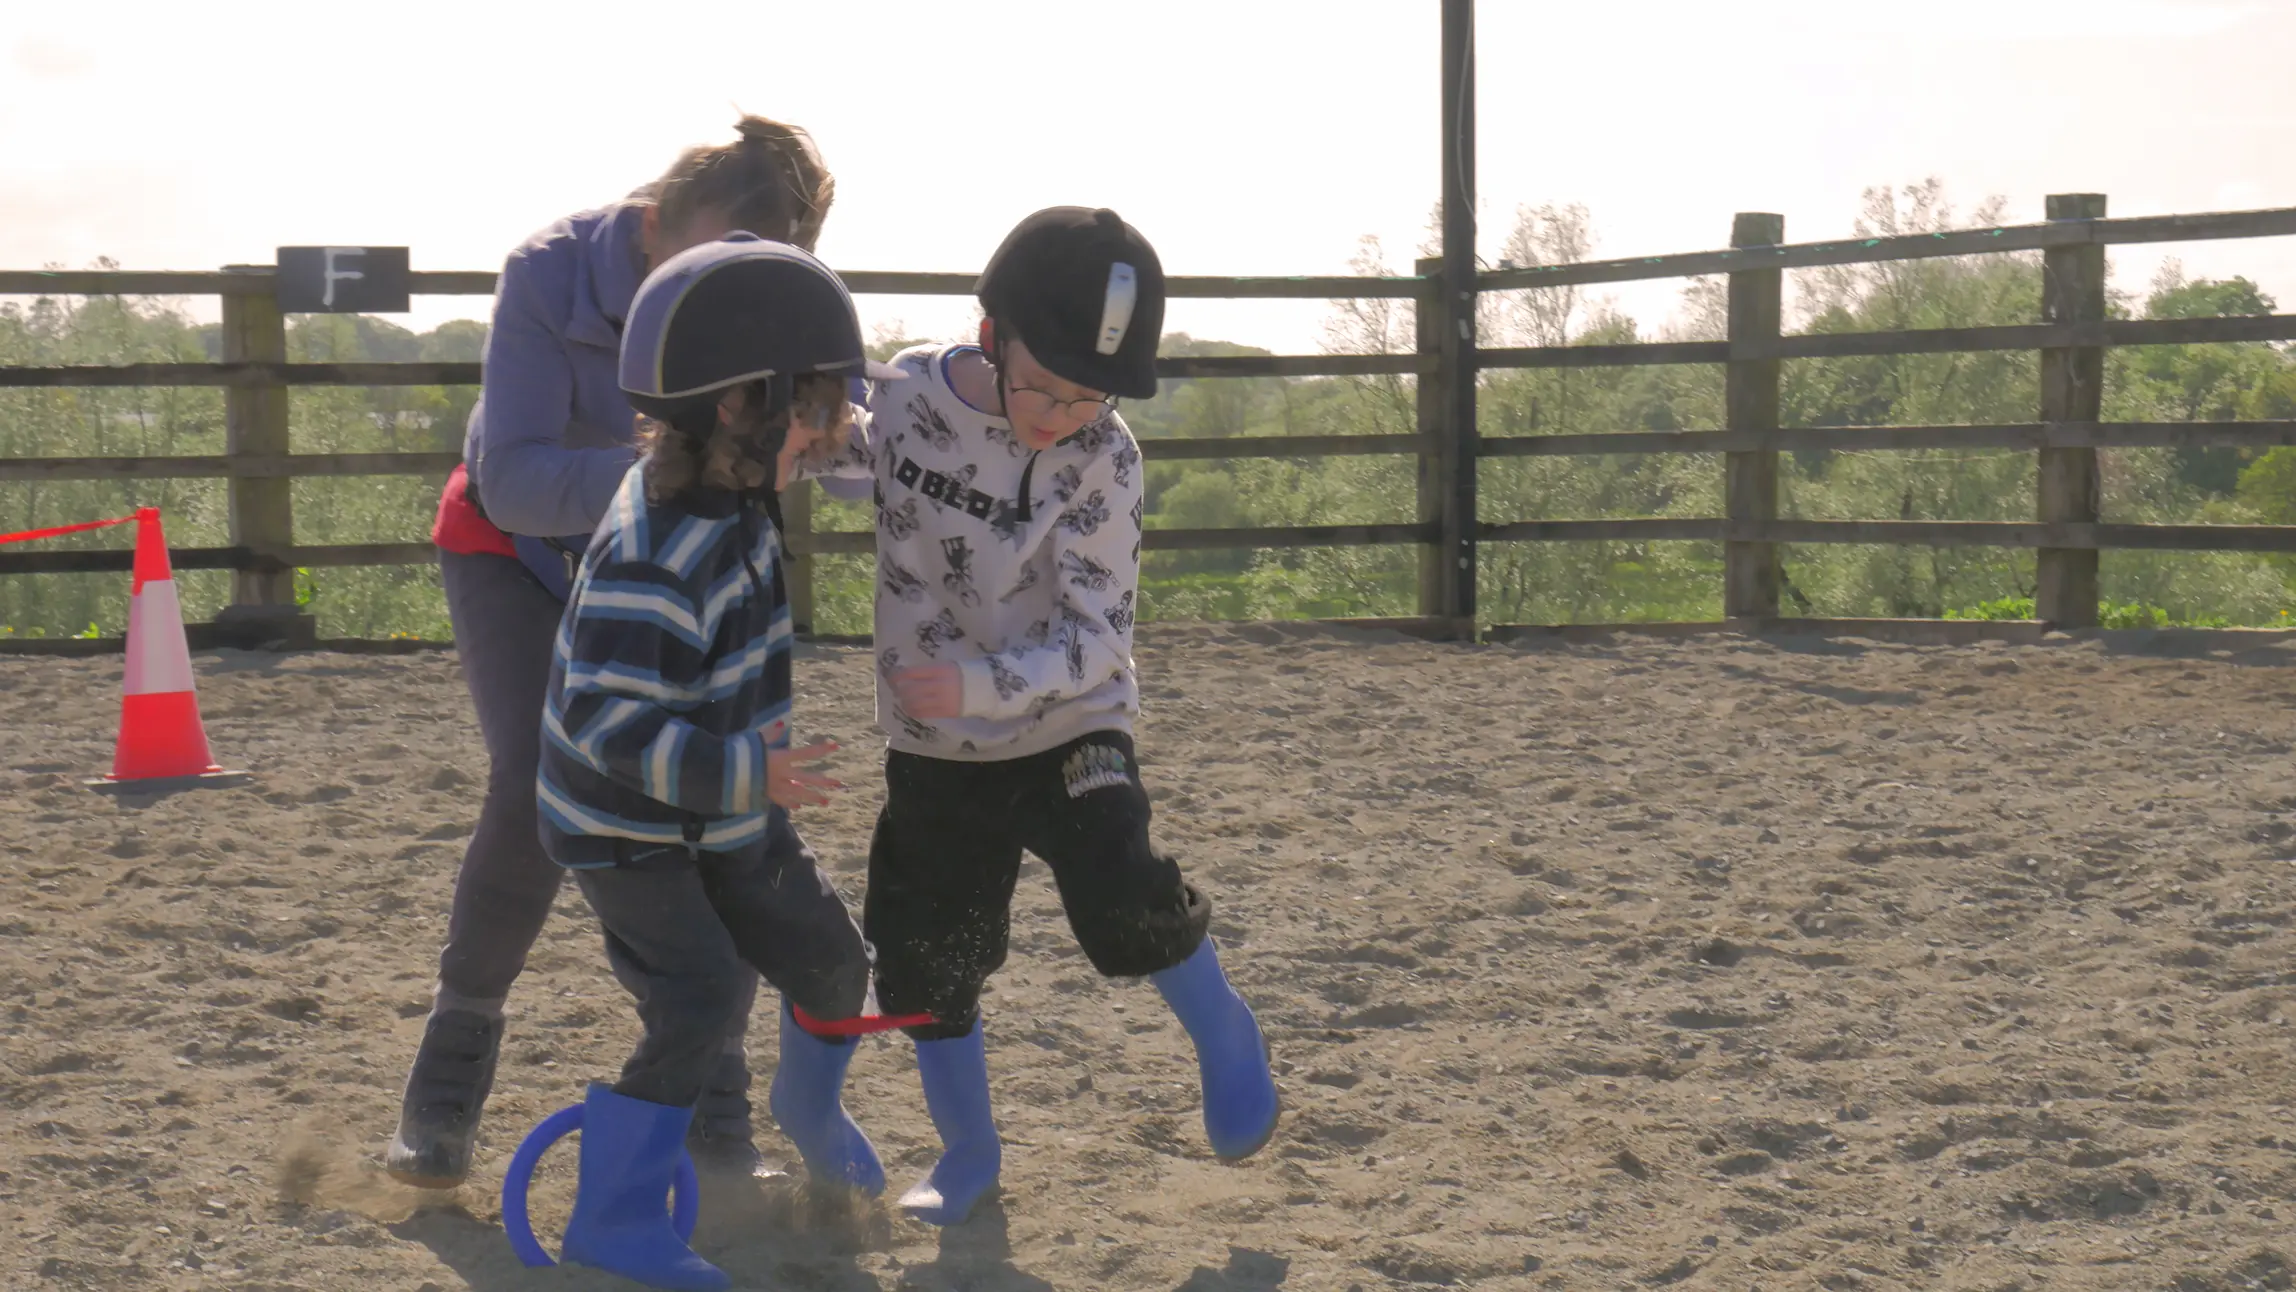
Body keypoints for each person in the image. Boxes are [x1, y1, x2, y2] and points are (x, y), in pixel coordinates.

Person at [395, 115, 852, 1187]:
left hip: (674, 551)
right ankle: (452, 1061)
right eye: (688, 261)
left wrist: (821, 436)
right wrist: (685, 468)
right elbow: (512, 474)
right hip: (518, 551)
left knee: (721, 798)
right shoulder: (547, 273)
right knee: (534, 778)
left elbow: (834, 428)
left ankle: (716, 1109)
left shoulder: (752, 313)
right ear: (652, 222)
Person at [802, 207, 1281, 1225]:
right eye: (1041, 386)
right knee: (929, 953)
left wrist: (977, 684)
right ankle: (968, 1150)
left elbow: (1099, 634)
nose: (1060, 413)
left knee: (1118, 895)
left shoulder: (1105, 462)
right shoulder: (908, 396)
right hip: (932, 743)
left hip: (1071, 719)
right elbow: (836, 461)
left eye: (1088, 396)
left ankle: (1224, 1031)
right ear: (991, 333)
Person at [542, 233, 903, 1292]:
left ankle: (806, 1108)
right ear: (739, 403)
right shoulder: (654, 544)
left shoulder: (737, 487)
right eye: (818, 407)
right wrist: (751, 773)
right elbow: (606, 725)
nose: (834, 433)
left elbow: (869, 450)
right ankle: (611, 1219)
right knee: (700, 993)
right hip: (622, 827)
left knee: (832, 958)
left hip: (731, 797)